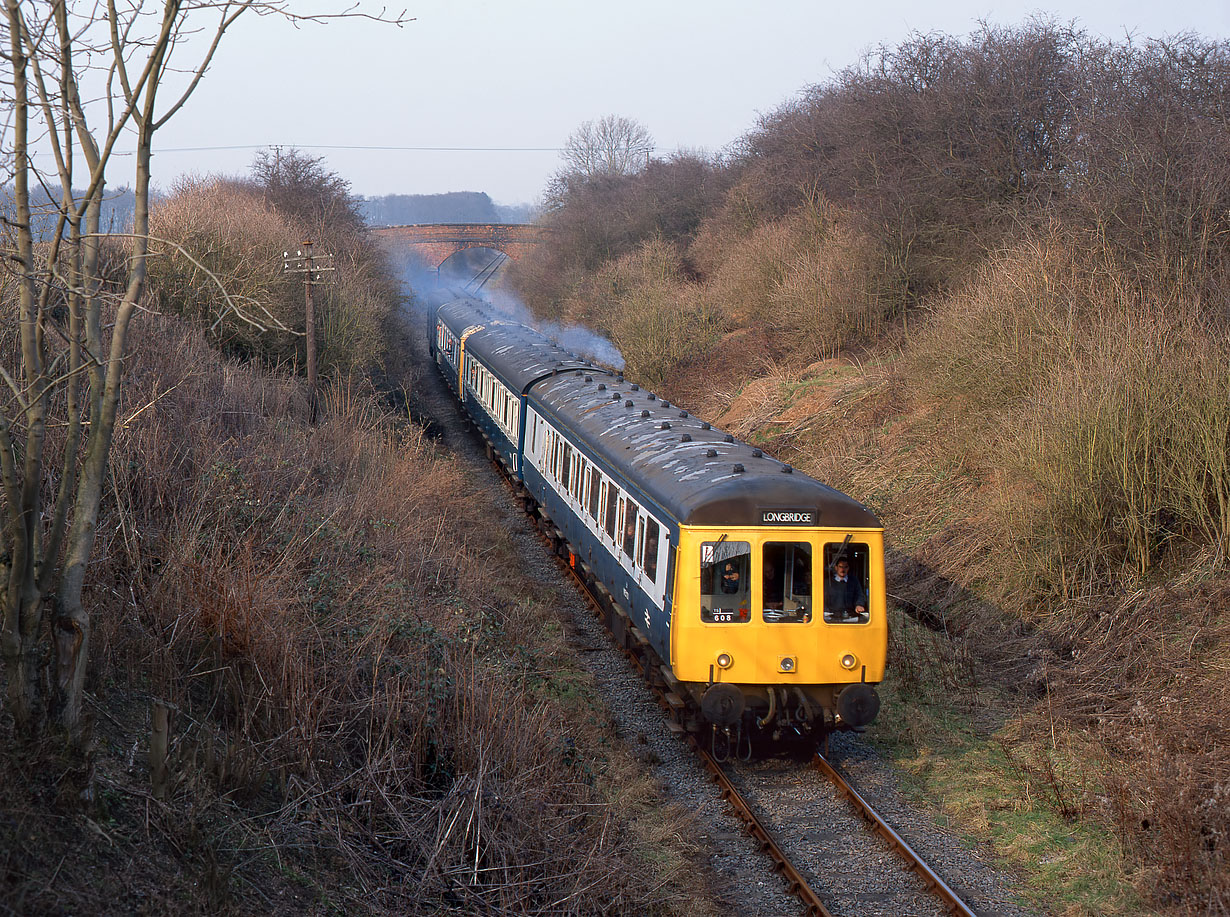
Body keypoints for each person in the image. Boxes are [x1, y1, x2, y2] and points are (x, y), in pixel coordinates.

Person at [824, 557, 867, 621]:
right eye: (840, 567)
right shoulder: (827, 582)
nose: (843, 569)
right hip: (831, 618)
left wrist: (859, 605)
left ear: (848, 568)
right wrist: (826, 611)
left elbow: (859, 594)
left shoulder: (854, 581)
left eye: (845, 567)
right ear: (836, 568)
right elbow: (822, 598)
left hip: (850, 617)